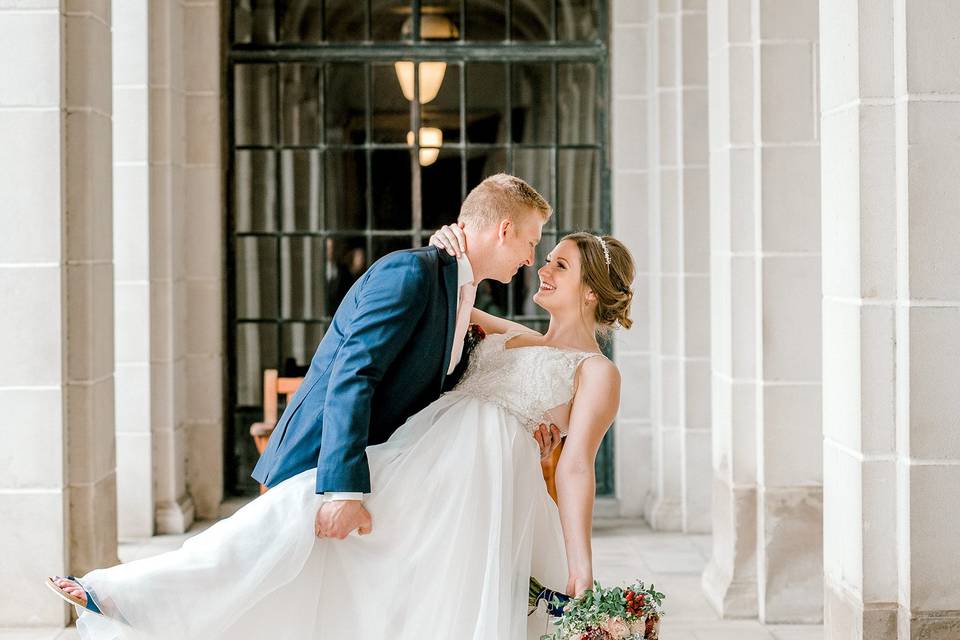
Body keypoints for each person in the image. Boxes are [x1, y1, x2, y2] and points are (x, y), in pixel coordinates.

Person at [47, 190, 635, 640]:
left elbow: (576, 467)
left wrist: (581, 560)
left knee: (392, 592)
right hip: (421, 461)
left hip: (470, 492)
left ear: (589, 292)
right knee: (300, 521)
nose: (539, 264)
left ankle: (137, 597)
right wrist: (449, 250)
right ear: (503, 228)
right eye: (538, 248)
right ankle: (129, 596)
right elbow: (450, 315)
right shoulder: (514, 333)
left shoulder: (596, 371)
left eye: (557, 262)